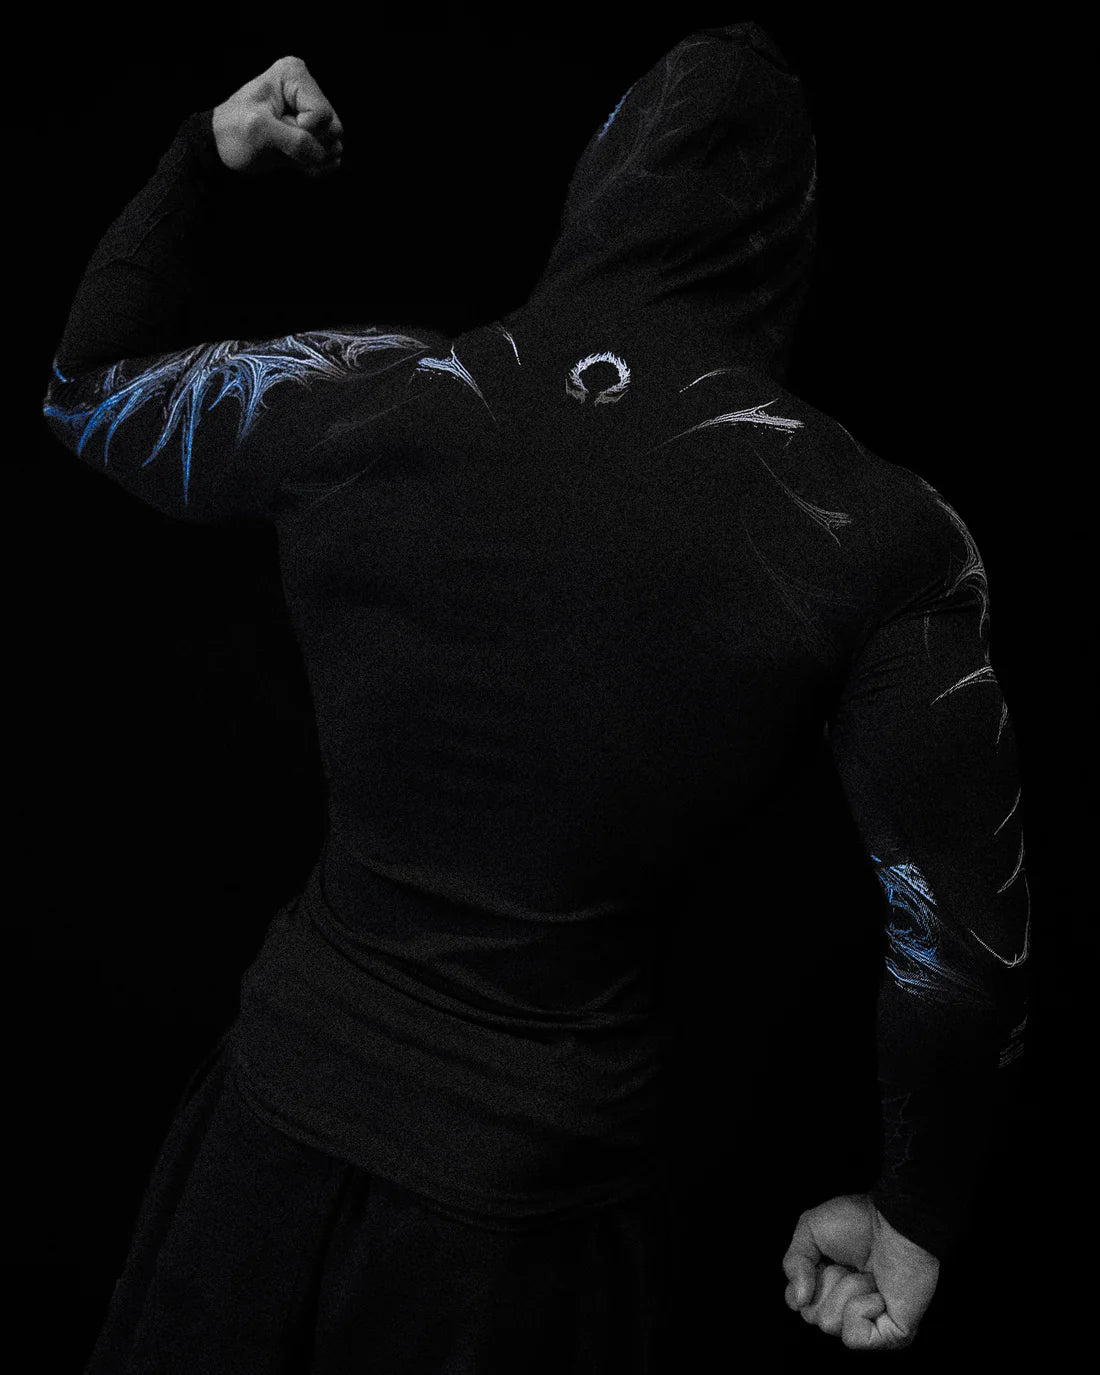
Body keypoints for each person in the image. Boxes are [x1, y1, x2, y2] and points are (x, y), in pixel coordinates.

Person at [42, 24, 1031, 1372]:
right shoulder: (874, 533)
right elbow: (961, 954)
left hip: (263, 1152)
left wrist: (209, 160)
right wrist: (917, 1212)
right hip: (525, 1228)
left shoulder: (380, 399)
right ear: (788, 239)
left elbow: (91, 390)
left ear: (600, 184)